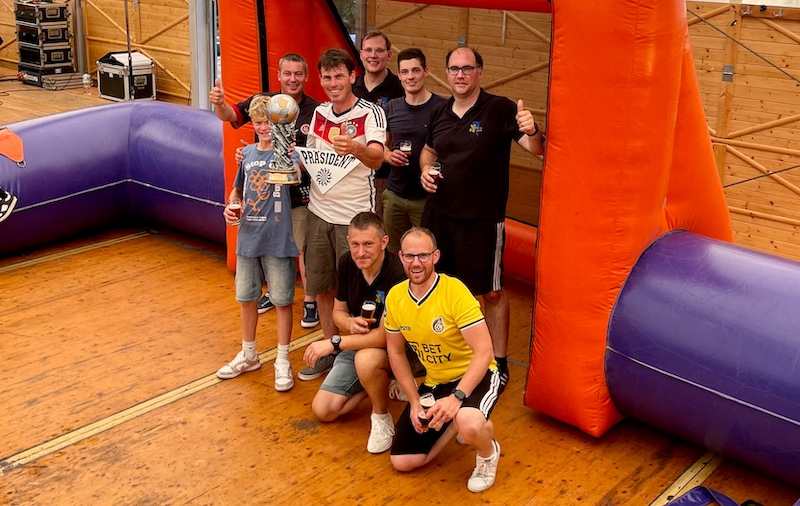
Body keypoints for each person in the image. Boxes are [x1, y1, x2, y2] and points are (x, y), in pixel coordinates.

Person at [419, 47, 544, 389]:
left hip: (483, 220)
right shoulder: (440, 110)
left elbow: (537, 149)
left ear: (479, 72)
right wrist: (425, 170)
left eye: (467, 68)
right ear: (446, 73)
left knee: (490, 293)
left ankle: (497, 361)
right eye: (454, 69)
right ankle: (450, 355)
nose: (460, 75)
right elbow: (429, 151)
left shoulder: (500, 109)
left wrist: (533, 129)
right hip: (439, 215)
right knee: (439, 287)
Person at [385, 227, 502, 493]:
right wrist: (414, 401)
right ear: (400, 257)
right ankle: (452, 423)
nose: (416, 263)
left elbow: (484, 351)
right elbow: (395, 352)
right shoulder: (395, 297)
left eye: (423, 255)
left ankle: (487, 453)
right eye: (410, 256)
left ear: (436, 256)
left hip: (476, 374)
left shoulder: (454, 291)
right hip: (437, 381)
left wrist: (457, 398)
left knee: (469, 423)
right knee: (403, 461)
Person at [210, 53, 320, 329]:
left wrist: (300, 161)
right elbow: (232, 115)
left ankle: (310, 301)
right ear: (279, 75)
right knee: (270, 250)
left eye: (298, 74)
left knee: (302, 250)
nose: (292, 79)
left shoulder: (316, 110)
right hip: (266, 200)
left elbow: (319, 154)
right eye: (287, 73)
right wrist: (219, 102)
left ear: (306, 77)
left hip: (299, 196)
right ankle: (273, 292)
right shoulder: (263, 101)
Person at [296, 48, 387, 381]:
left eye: (339, 76)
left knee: (360, 293)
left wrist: (355, 148)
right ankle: (329, 350)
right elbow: (310, 160)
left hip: (355, 217)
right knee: (322, 287)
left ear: (352, 76)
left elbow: (377, 158)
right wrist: (284, 160)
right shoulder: (319, 113)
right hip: (318, 213)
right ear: (320, 80)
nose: (333, 83)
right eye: (327, 77)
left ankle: (362, 359)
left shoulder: (371, 112)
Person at [302, 212, 424, 453]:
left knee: (366, 359)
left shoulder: (398, 274)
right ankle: (380, 382)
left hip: (401, 349)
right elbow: (338, 311)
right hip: (359, 343)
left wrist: (333, 343)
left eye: (368, 244)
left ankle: (381, 416)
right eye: (355, 244)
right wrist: (350, 322)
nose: (361, 252)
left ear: (384, 242)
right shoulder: (347, 263)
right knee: (324, 410)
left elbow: (385, 337)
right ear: (348, 241)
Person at [216, 95, 300, 392]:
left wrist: (290, 154)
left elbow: (296, 175)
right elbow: (237, 192)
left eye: (269, 122)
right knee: (246, 298)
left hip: (278, 239)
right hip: (248, 238)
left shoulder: (287, 153)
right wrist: (230, 207)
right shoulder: (247, 154)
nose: (264, 128)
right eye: (258, 122)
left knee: (282, 301)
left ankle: (282, 359)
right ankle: (249, 354)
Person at [382, 48, 446, 253]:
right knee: (394, 252)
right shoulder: (391, 108)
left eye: (415, 70)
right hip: (395, 195)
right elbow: (382, 145)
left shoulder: (442, 108)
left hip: (426, 198)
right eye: (405, 72)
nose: (410, 76)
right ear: (399, 75)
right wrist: (389, 156)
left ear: (426, 72)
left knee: (426, 253)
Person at [353, 30, 405, 219]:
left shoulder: (400, 88)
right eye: (368, 50)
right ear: (361, 54)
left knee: (378, 227)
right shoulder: (352, 87)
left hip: (383, 177)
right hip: (352, 175)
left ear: (389, 54)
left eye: (379, 50)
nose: (373, 55)